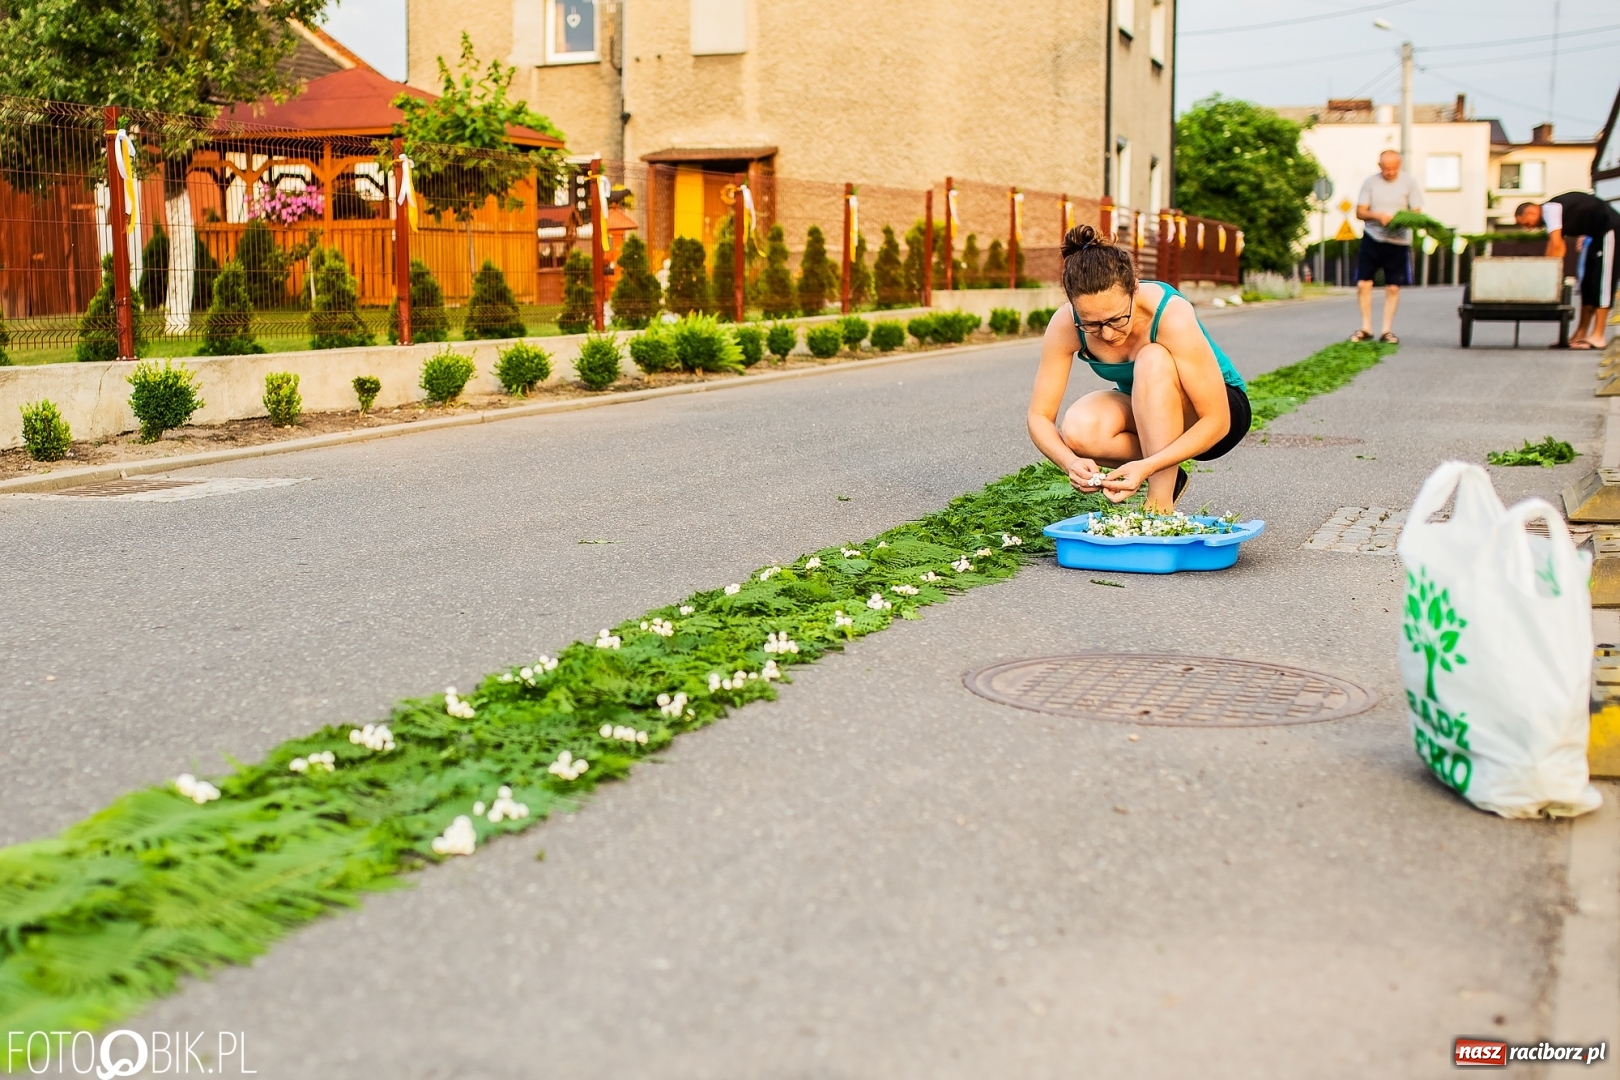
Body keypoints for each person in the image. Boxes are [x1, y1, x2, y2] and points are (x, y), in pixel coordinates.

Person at [1027, 225, 1251, 512]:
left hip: (1218, 416)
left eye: (1116, 319)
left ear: (1134, 288)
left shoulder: (1170, 314)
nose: (1107, 334)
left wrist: (1149, 466)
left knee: (1152, 358)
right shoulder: (1065, 324)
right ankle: (1170, 476)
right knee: (1080, 427)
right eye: (1092, 324)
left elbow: (1218, 421)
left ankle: (1159, 505)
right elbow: (1039, 416)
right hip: (1150, 413)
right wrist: (1070, 462)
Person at [1515, 192, 1620, 350]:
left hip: (1611, 229)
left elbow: (1558, 246)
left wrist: (1549, 276)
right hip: (1596, 236)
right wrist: (1546, 268)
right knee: (1588, 285)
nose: (1529, 228)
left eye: (1527, 223)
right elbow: (1553, 245)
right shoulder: (1552, 214)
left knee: (1602, 282)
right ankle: (1581, 333)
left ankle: (1598, 335)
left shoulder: (1551, 210)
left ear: (1531, 211)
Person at [1351, 149, 1424, 344]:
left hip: (1398, 241)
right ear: (1379, 166)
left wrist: (1400, 220)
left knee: (1393, 287)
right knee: (1363, 283)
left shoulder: (1409, 183)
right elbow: (1360, 212)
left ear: (1399, 166)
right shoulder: (1370, 183)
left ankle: (1386, 330)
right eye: (1386, 168)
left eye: (1393, 168)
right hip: (1372, 237)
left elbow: (1417, 213)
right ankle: (1366, 327)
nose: (1389, 172)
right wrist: (1378, 216)